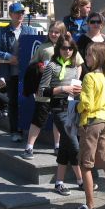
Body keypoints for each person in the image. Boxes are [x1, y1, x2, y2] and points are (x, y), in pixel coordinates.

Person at [72, 42, 105, 209]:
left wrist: (76, 104)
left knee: (85, 165)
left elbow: (87, 104)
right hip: (104, 120)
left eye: (89, 54)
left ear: (97, 57)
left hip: (91, 122)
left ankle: (90, 205)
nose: (86, 58)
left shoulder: (89, 77)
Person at [22, 21, 81, 158]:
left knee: (58, 119)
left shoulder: (69, 46)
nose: (53, 34)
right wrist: (39, 67)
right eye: (51, 31)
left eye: (57, 32)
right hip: (46, 91)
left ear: (63, 33)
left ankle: (58, 145)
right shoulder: (43, 47)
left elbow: (78, 64)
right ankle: (29, 147)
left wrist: (75, 80)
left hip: (64, 93)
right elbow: (32, 64)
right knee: (38, 119)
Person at [36, 35, 85, 194]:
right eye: (64, 48)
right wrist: (62, 89)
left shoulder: (74, 66)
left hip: (73, 108)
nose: (67, 51)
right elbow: (42, 91)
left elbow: (77, 88)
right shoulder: (51, 66)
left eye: (70, 48)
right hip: (58, 109)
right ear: (59, 49)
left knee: (65, 146)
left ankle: (59, 182)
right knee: (74, 146)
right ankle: (82, 180)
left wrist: (78, 90)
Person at [0, 2, 38, 142]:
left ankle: (27, 128)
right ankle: (15, 131)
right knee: (13, 102)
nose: (20, 15)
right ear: (11, 14)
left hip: (28, 73)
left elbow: (37, 47)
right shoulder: (3, 32)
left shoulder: (30, 31)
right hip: (11, 73)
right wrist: (8, 57)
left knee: (28, 100)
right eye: (17, 13)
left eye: (22, 13)